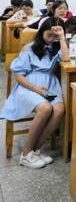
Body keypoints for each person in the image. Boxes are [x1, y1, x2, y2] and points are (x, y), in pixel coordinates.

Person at [0, 17, 68, 168]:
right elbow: (19, 76)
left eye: (55, 36)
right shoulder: (29, 48)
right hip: (28, 86)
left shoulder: (56, 48)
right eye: (49, 35)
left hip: (50, 85)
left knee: (59, 110)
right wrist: (35, 88)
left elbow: (66, 59)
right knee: (45, 108)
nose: (51, 39)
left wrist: (62, 38)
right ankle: (25, 154)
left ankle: (35, 150)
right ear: (41, 31)